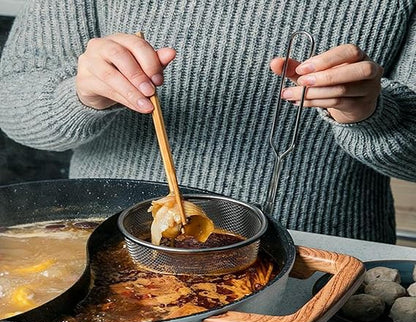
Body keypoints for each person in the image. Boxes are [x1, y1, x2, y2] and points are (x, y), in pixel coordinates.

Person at [0, 0, 415, 243]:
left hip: (320, 253)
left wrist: (373, 115)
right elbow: (12, 103)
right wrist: (81, 92)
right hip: (114, 241)